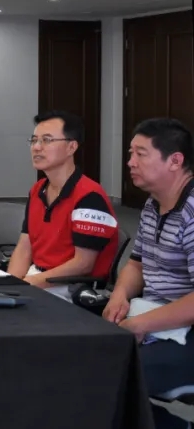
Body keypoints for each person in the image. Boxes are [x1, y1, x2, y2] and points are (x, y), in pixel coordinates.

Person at [102, 119, 194, 429]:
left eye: (140, 154)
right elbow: (137, 264)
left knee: (112, 376)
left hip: (184, 332)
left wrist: (140, 324)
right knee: (88, 356)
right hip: (155, 318)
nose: (130, 162)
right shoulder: (154, 205)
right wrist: (119, 295)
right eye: (131, 153)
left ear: (175, 161)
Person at [7, 111, 119, 299]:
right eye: (34, 140)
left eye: (47, 140)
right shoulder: (37, 190)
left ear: (71, 147)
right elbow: (25, 247)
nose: (37, 147)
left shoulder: (89, 196)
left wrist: (28, 285)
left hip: (71, 287)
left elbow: (83, 264)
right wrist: (10, 284)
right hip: (38, 277)